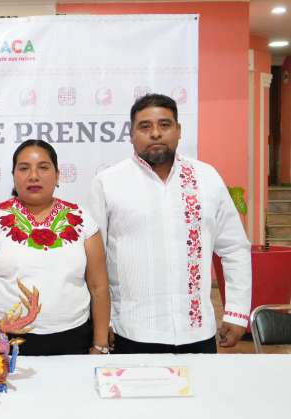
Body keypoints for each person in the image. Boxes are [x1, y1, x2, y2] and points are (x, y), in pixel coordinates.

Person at [89, 93, 251, 354]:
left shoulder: (206, 177)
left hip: (197, 332)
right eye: (145, 126)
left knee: (201, 395)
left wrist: (237, 311)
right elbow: (95, 261)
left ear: (178, 130)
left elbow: (234, 248)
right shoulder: (108, 182)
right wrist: (103, 321)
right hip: (131, 331)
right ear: (131, 134)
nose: (155, 133)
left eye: (164, 125)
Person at [0, 140, 111, 355]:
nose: (33, 176)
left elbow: (99, 287)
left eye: (43, 167)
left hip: (74, 338)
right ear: (14, 175)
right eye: (24, 168)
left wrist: (100, 345)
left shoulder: (82, 219)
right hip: (5, 341)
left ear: (57, 174)